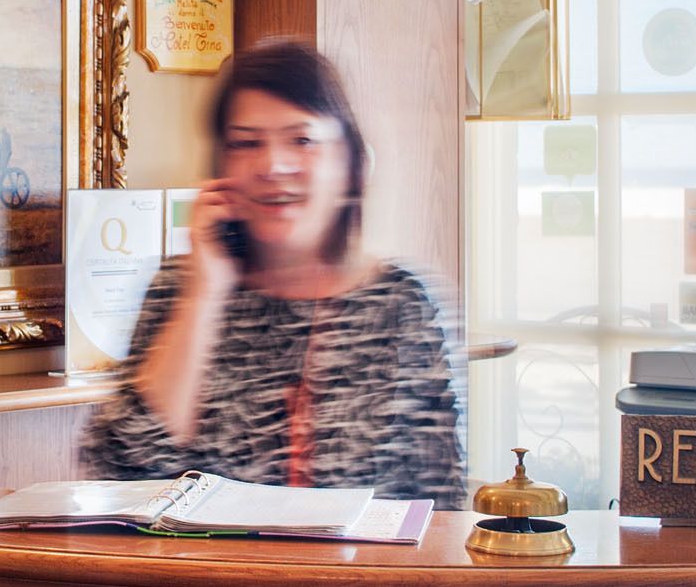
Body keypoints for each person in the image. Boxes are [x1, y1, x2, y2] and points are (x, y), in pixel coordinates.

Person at [81, 39, 466, 504]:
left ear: (350, 165)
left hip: (362, 576)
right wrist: (204, 296)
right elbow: (121, 473)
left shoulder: (402, 304)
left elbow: (441, 503)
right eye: (246, 144)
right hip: (205, 577)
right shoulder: (179, 288)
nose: (272, 165)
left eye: (301, 140)